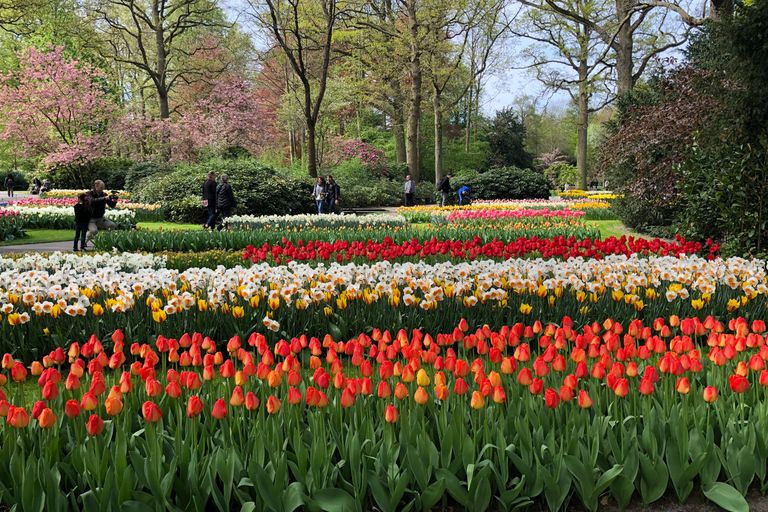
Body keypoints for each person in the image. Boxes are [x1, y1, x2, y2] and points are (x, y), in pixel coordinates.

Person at [85, 180, 118, 247]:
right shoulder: (89, 194)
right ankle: (84, 241)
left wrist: (114, 201)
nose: (102, 189)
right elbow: (92, 201)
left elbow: (111, 205)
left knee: (112, 225)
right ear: (96, 187)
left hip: (100, 217)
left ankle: (103, 240)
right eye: (101, 188)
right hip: (90, 217)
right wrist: (104, 198)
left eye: (103, 188)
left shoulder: (104, 194)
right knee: (94, 231)